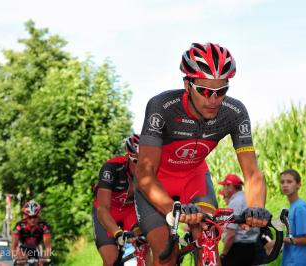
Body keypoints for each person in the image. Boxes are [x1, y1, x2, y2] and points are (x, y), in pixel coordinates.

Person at [135, 42, 269, 266]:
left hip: (194, 180)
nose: (214, 100)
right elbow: (145, 173)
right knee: (165, 254)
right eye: (205, 91)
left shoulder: (234, 113)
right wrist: (173, 210)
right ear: (187, 84)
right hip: (157, 183)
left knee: (208, 237)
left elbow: (252, 173)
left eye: (221, 91)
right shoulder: (163, 106)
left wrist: (256, 210)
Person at [92, 134, 150, 266]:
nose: (141, 166)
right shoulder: (112, 168)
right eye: (136, 161)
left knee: (143, 248)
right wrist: (118, 233)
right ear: (128, 158)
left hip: (130, 213)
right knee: (111, 261)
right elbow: (102, 209)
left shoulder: (150, 171)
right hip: (107, 213)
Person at [218, 174, 265, 266]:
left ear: (230, 186)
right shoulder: (250, 198)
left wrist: (223, 255)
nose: (224, 189)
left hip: (238, 247)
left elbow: (231, 234)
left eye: (224, 186)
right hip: (252, 245)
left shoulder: (235, 202)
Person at [279, 169, 306, 266]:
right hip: (292, 259)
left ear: (298, 185)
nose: (285, 185)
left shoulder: (299, 208)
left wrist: (280, 240)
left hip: (300, 260)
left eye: (289, 182)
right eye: (282, 182)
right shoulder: (293, 206)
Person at [11, 200, 51, 265]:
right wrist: (15, 257)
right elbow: (13, 246)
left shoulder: (43, 226)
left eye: (35, 217)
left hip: (36, 248)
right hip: (22, 248)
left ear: (38, 216)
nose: (33, 220)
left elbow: (48, 247)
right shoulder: (19, 226)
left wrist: (45, 258)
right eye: (30, 217)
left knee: (41, 263)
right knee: (22, 260)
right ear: (26, 217)